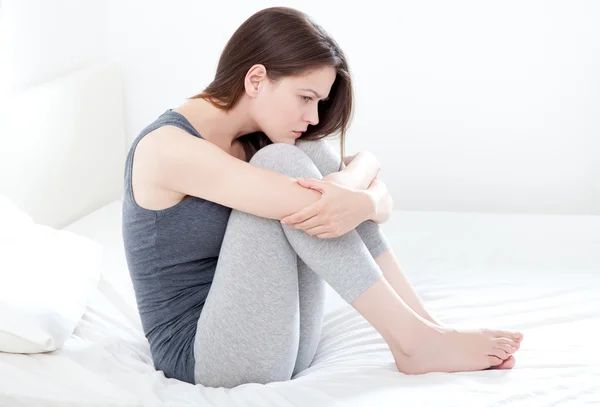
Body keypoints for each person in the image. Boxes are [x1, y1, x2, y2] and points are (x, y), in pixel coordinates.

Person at [122, 6, 523, 389]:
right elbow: (327, 204)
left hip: (282, 342)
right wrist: (363, 189)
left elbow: (365, 200)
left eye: (319, 102)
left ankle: (425, 328)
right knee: (284, 162)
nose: (314, 117)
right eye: (306, 97)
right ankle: (412, 340)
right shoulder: (168, 148)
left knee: (308, 154)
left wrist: (362, 178)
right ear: (256, 79)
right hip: (209, 358)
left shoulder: (252, 138)